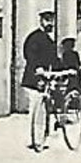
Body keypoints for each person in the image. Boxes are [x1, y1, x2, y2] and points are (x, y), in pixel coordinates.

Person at [22, 9, 57, 151]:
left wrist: (65, 69)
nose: (50, 23)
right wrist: (38, 68)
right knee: (36, 109)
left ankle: (42, 137)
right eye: (47, 20)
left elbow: (54, 59)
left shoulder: (49, 40)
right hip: (34, 77)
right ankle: (34, 139)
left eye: (52, 20)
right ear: (41, 21)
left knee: (45, 109)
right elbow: (29, 55)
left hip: (46, 77)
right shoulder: (34, 38)